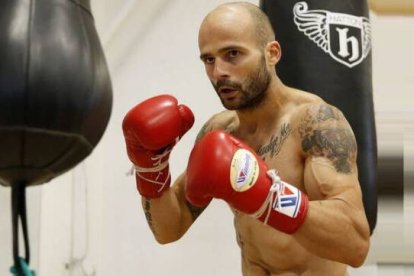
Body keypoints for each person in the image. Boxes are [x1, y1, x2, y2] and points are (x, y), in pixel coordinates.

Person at [122, 2, 370, 275]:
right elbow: (170, 227)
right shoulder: (220, 131)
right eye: (209, 59)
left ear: (272, 53)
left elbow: (355, 244)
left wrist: (267, 196)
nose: (219, 72)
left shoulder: (315, 123)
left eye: (232, 54)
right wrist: (150, 170)